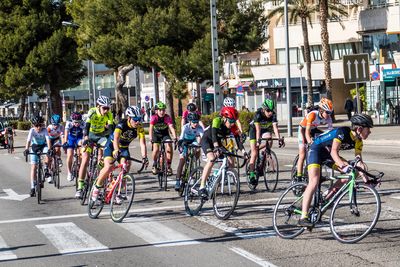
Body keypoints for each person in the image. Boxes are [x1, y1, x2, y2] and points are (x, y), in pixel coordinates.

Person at [297, 114, 374, 227]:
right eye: (368, 129)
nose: (370, 132)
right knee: (314, 181)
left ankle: (326, 196)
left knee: (353, 172)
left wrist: (367, 180)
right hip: (316, 150)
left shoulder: (359, 141)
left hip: (328, 154)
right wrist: (344, 166)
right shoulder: (342, 132)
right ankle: (303, 217)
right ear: (359, 129)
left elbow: (359, 162)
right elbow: (334, 152)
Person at [91, 106, 148, 202]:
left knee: (126, 166)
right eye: (135, 119)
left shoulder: (139, 128)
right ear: (129, 118)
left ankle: (118, 191)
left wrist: (144, 157)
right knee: (109, 166)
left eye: (139, 119)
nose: (138, 122)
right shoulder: (121, 124)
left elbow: (142, 143)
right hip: (112, 145)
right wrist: (116, 150)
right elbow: (116, 138)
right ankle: (96, 188)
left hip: (124, 148)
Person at [198, 106, 246, 199]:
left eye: (234, 121)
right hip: (208, 140)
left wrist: (244, 152)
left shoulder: (233, 126)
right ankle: (202, 186)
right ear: (224, 118)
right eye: (231, 121)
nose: (232, 124)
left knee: (231, 160)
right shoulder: (217, 120)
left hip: (218, 142)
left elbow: (238, 141)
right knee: (212, 159)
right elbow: (214, 134)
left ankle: (220, 176)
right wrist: (216, 147)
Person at [75, 96, 114, 198]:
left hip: (100, 136)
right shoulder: (92, 111)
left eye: (108, 108)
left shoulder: (109, 114)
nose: (106, 110)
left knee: (109, 148)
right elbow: (86, 126)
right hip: (90, 136)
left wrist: (105, 132)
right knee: (85, 158)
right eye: (104, 108)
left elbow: (110, 129)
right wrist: (86, 137)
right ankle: (80, 187)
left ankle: (99, 168)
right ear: (98, 106)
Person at [247, 99, 285, 185]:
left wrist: (279, 139)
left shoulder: (273, 115)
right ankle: (252, 174)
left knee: (269, 139)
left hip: (265, 130)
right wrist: (257, 141)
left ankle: (264, 153)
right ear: (264, 109)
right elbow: (257, 130)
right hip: (254, 130)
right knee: (254, 152)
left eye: (272, 110)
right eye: (268, 110)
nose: (270, 113)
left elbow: (275, 128)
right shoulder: (258, 114)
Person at [296, 97, 333, 180]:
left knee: (323, 141)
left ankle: (317, 171)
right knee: (302, 153)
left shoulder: (328, 118)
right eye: (327, 112)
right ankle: (298, 176)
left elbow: (330, 132)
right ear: (321, 110)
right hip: (303, 129)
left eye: (330, 112)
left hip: (314, 129)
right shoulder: (313, 114)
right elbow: (307, 132)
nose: (329, 114)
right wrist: (309, 142)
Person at [23, 116, 52, 197]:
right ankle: (32, 187)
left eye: (40, 125)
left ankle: (46, 169)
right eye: (36, 125)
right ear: (33, 125)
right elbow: (28, 140)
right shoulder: (32, 131)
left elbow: (48, 140)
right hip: (35, 147)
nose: (39, 127)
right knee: (33, 167)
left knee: (47, 153)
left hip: (43, 146)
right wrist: (26, 149)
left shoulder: (45, 130)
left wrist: (49, 149)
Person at [175, 112, 204, 191]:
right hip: (184, 141)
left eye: (197, 122)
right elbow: (181, 139)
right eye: (194, 122)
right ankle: (177, 180)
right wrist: (181, 147)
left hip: (193, 141)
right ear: (190, 121)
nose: (195, 124)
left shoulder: (199, 128)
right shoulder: (185, 127)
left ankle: (192, 161)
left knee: (198, 147)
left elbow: (203, 138)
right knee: (182, 160)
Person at [149, 101, 177, 175]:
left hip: (165, 134)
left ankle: (168, 166)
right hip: (156, 135)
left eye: (163, 110)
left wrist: (175, 137)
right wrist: (151, 138)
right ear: (156, 111)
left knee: (169, 146)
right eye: (160, 110)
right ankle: (154, 164)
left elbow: (171, 127)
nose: (162, 112)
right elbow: (151, 128)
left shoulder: (167, 117)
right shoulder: (154, 117)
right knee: (156, 150)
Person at [63, 112, 85, 181]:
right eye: (75, 122)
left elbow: (84, 135)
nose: (77, 124)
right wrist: (65, 142)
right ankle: (69, 172)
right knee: (70, 155)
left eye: (79, 122)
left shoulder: (83, 123)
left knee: (81, 154)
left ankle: (81, 168)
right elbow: (66, 134)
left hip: (79, 138)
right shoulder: (69, 123)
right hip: (71, 139)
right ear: (72, 120)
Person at [46, 114, 64, 182]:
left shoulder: (61, 127)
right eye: (54, 124)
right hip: (49, 139)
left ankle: (58, 158)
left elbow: (62, 136)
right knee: (49, 156)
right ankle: (49, 173)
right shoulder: (49, 127)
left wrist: (63, 144)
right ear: (51, 123)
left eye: (57, 124)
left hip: (56, 139)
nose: (56, 126)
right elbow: (46, 137)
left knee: (58, 148)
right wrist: (49, 147)